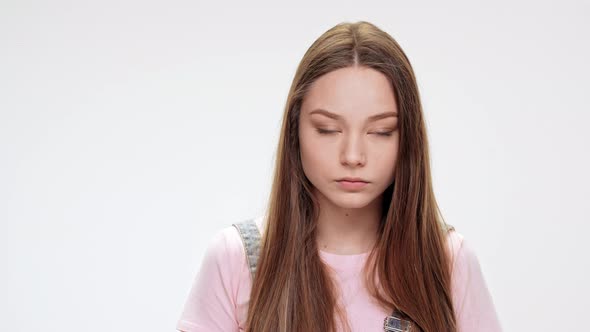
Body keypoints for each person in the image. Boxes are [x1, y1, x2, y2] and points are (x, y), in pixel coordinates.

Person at [176, 21, 502, 332]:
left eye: (381, 131)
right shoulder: (236, 258)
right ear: (295, 130)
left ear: (408, 139)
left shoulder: (448, 261)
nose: (353, 156)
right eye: (328, 130)